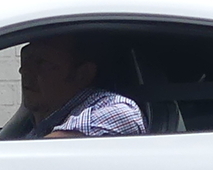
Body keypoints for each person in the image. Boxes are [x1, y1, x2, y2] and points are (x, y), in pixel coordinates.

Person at [13, 33, 145, 139]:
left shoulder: (115, 109)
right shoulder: (40, 121)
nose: (25, 71)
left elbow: (39, 157)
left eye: (42, 63)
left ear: (83, 74)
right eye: (25, 60)